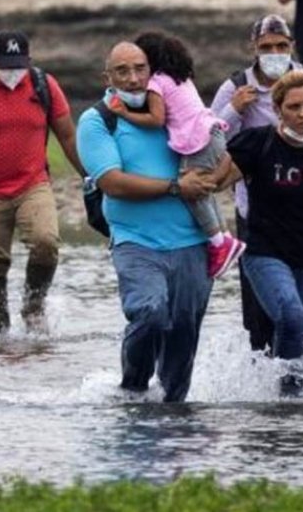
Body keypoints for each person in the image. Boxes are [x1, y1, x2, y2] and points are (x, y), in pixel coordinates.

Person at [211, 13, 303, 352]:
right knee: (266, 312)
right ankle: (264, 374)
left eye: (281, 45)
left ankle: (296, 380)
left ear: (292, 45)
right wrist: (233, 110)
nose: (274, 52)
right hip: (258, 207)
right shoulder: (237, 87)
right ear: (254, 48)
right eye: (267, 47)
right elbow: (208, 140)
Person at [76, 42, 214, 402]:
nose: (134, 79)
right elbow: (113, 183)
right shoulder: (97, 121)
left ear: (153, 73)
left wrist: (212, 179)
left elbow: (217, 158)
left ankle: (173, 413)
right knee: (150, 312)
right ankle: (133, 390)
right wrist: (175, 187)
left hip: (192, 243)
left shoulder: (176, 113)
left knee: (184, 334)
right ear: (107, 77)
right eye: (122, 71)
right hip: (135, 241)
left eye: (140, 69)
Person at [219, 71, 303, 396]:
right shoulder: (258, 142)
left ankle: (277, 399)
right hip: (265, 251)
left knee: (301, 340)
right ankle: (288, 406)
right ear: (278, 109)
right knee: (292, 317)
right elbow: (214, 181)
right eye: (295, 106)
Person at [0, 30, 85, 334]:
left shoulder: (43, 85)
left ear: (29, 61)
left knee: (46, 243)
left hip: (32, 184)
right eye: (6, 66)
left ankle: (34, 304)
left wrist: (89, 176)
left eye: (18, 65)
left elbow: (67, 135)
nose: (12, 72)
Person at [109, 31, 245, 280]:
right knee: (202, 186)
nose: (137, 75)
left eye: (141, 65)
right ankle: (225, 238)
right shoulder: (179, 77)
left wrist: (125, 114)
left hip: (199, 139)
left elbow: (156, 118)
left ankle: (218, 242)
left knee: (192, 190)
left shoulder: (156, 83)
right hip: (212, 132)